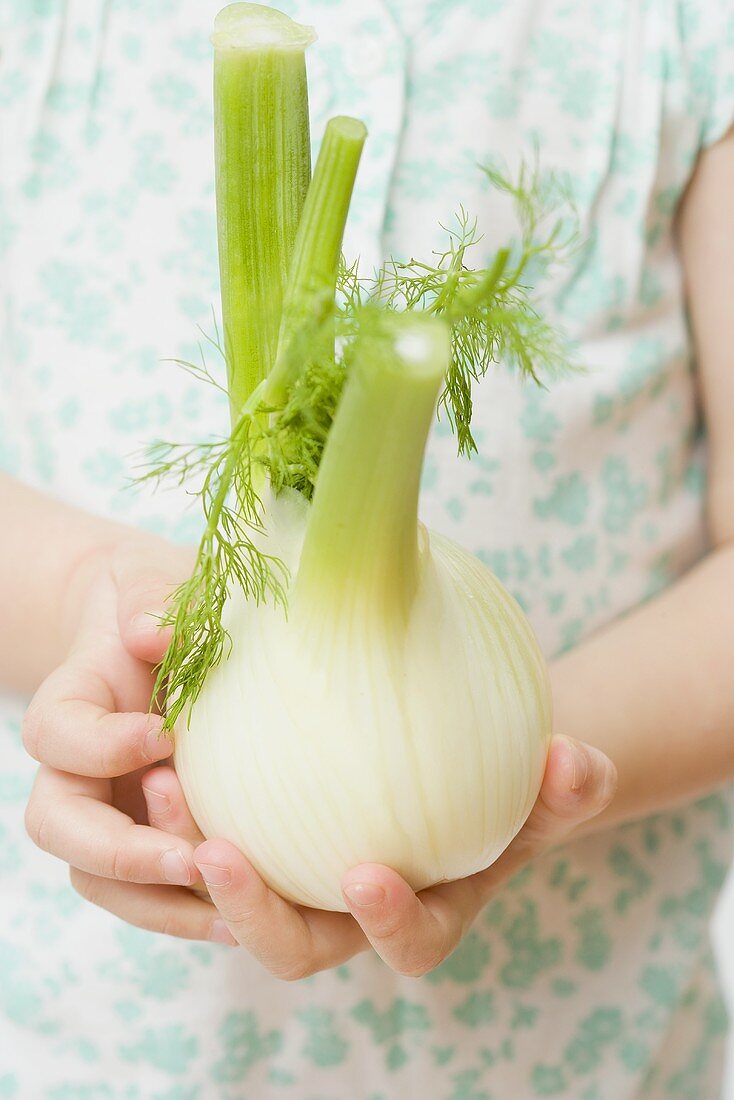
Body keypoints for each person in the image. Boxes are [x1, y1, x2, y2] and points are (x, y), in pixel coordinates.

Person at [1, 0, 733, 1096]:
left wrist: (525, 763)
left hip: (580, 1053)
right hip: (103, 1051)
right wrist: (84, 596)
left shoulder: (681, 34)